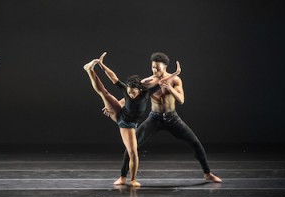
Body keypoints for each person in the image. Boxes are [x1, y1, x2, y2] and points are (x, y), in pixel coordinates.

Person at [113, 52, 222, 185]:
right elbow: (130, 97)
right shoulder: (147, 83)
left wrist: (169, 88)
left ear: (165, 67)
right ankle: (123, 177)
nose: (155, 70)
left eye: (158, 67)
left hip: (172, 118)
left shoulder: (175, 80)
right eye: (153, 67)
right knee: (132, 146)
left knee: (195, 143)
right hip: (154, 118)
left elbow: (181, 100)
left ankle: (208, 174)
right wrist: (115, 106)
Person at [83, 52, 180, 187]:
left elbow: (164, 81)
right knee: (104, 93)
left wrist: (176, 73)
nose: (130, 94)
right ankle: (89, 70)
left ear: (139, 90)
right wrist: (102, 65)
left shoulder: (146, 92)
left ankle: (132, 179)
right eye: (128, 91)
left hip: (129, 123)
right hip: (122, 118)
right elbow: (113, 78)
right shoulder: (126, 89)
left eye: (132, 92)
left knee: (133, 153)